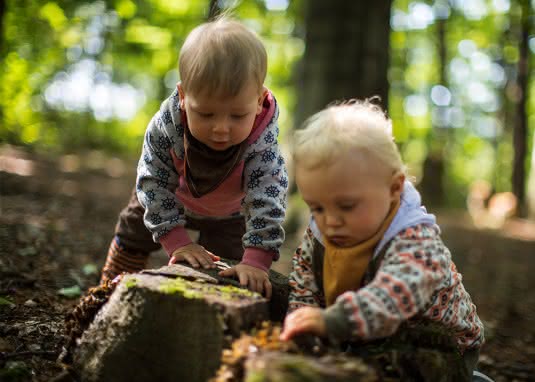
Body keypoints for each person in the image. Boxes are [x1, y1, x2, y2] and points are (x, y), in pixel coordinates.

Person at [280, 99, 484, 375]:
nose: (330, 221)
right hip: (366, 334)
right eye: (317, 207)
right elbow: (305, 282)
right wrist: (303, 324)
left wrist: (333, 321)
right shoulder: (320, 231)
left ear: (394, 189)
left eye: (347, 206)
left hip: (441, 347)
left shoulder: (414, 238)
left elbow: (395, 294)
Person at [100, 16, 288, 299]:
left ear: (259, 101)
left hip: (231, 213)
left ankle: (211, 312)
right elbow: (152, 181)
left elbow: (268, 199)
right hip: (170, 196)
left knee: (227, 264)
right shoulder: (166, 127)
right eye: (206, 114)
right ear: (184, 96)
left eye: (238, 115)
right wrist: (177, 242)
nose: (221, 128)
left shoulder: (263, 144)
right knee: (132, 233)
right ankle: (106, 293)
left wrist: (256, 260)